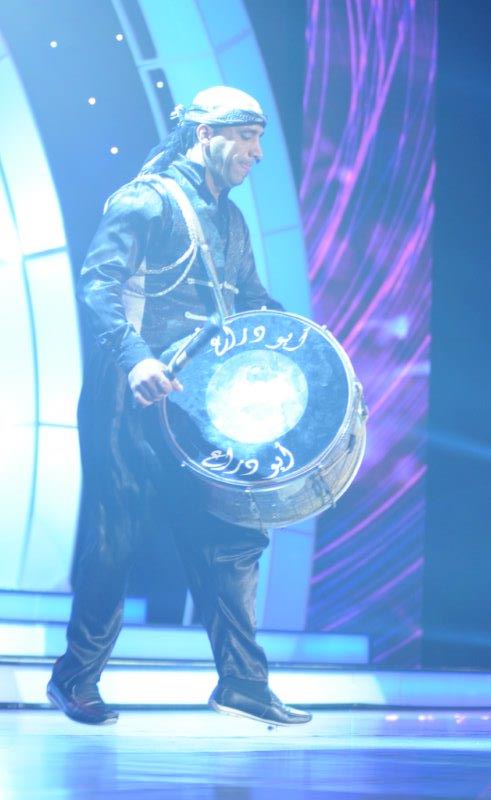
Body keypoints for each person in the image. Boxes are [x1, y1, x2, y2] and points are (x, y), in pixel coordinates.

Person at [46, 86, 312, 727]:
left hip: (197, 406)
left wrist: (306, 348)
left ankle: (243, 684)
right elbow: (98, 283)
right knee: (116, 537)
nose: (256, 152)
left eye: (258, 138)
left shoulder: (231, 220)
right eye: (245, 137)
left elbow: (251, 300)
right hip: (127, 396)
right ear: (204, 134)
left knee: (233, 535)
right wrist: (136, 357)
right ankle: (75, 679)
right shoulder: (146, 200)